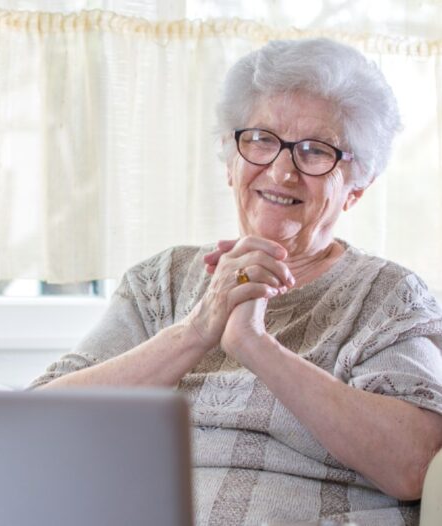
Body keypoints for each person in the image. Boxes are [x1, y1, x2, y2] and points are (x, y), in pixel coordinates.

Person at [29, 38, 442, 525]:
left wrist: (255, 345)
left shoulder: (387, 297)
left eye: (316, 151)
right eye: (262, 140)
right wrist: (196, 330)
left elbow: (413, 466)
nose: (283, 171)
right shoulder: (160, 282)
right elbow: (37, 425)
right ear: (230, 161)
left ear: (354, 187)